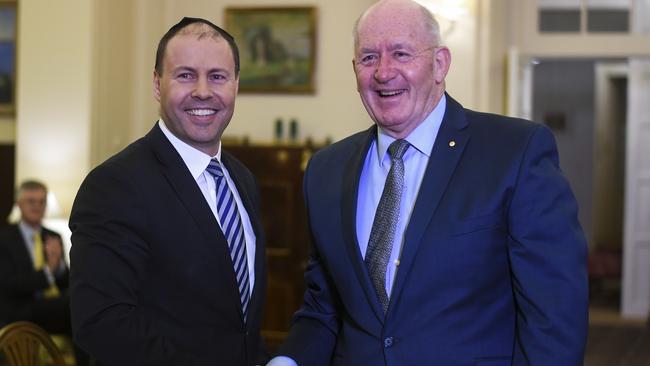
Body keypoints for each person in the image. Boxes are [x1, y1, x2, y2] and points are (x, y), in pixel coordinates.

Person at [269, 0, 589, 365]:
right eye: (369, 57)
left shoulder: (514, 152)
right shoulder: (325, 170)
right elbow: (324, 305)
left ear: (439, 64)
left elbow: (555, 314)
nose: (384, 72)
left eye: (401, 53)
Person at [69, 17, 268, 365]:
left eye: (218, 76)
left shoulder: (243, 179)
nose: (203, 91)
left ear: (236, 84)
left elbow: (240, 325)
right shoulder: (114, 185)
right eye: (185, 75)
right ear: (158, 85)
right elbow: (102, 324)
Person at [0, 180, 89, 365]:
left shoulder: (53, 236)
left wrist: (59, 268)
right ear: (19, 204)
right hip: (21, 308)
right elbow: (10, 285)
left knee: (83, 302)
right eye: (31, 201)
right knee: (76, 303)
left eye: (42, 202)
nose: (37, 206)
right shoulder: (5, 238)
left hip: (52, 309)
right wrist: (49, 270)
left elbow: (66, 282)